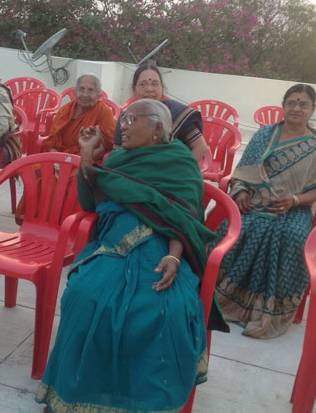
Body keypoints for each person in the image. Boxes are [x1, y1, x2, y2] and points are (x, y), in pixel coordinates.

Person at [36, 99, 227, 412]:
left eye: (131, 119)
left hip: (162, 249)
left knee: (166, 306)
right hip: (113, 245)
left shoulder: (180, 162)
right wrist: (87, 154)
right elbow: (89, 203)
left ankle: (144, 401)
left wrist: (175, 257)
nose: (122, 125)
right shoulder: (118, 158)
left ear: (156, 128)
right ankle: (75, 396)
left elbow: (186, 218)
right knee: (86, 296)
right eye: (123, 118)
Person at [214, 84, 316, 339]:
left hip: (294, 207)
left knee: (291, 237)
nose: (296, 108)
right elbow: (243, 172)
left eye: (303, 104)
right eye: (291, 102)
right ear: (283, 106)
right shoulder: (264, 134)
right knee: (235, 228)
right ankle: (224, 295)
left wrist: (295, 199)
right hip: (256, 201)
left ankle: (271, 305)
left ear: (312, 110)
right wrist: (241, 192)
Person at [14, 73, 115, 224]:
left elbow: (108, 145)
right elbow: (52, 141)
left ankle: (65, 224)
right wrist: (57, 160)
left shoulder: (104, 112)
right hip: (59, 157)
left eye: (90, 90)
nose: (85, 94)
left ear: (99, 95)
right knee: (37, 171)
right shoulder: (65, 110)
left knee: (74, 180)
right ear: (74, 92)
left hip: (87, 159)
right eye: (82, 89)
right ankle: (35, 220)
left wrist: (81, 159)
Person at [113, 64, 208, 161]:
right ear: (134, 89)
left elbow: (200, 147)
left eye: (155, 84)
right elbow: (118, 154)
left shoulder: (176, 112)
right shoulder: (125, 118)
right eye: (143, 84)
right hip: (134, 171)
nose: (149, 89)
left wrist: (183, 170)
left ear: (162, 88)